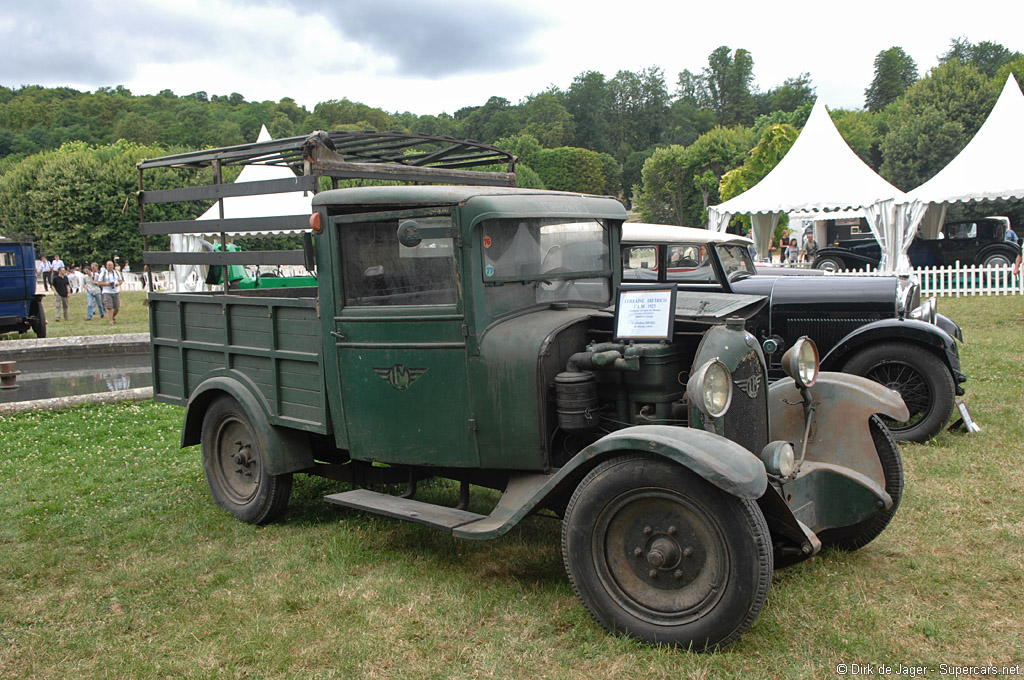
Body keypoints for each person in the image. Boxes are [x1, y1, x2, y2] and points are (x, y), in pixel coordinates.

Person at [99, 259, 124, 325]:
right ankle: (111, 321)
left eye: (111, 265)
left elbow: (121, 280)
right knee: (109, 307)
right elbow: (99, 282)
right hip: (107, 291)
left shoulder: (117, 273)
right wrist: (107, 284)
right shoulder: (103, 273)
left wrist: (118, 283)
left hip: (115, 291)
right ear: (106, 266)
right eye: (108, 265)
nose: (110, 266)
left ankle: (112, 317)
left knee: (116, 307)